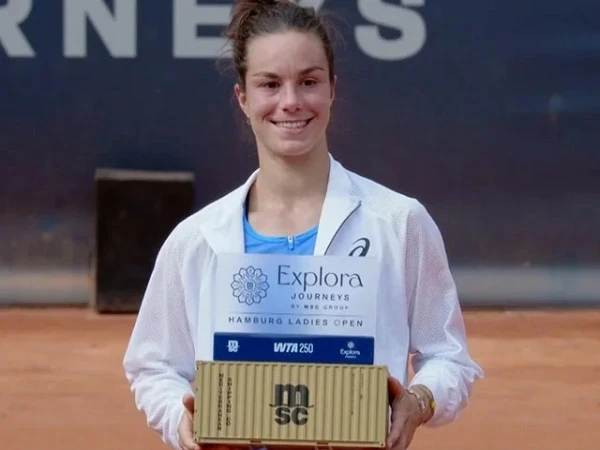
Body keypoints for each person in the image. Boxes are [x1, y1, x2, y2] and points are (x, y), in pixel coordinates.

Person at [122, 0, 484, 449]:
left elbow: (449, 357)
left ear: (332, 89)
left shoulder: (400, 222)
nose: (291, 102)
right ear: (243, 98)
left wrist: (419, 399)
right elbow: (153, 366)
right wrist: (181, 421)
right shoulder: (195, 240)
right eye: (270, 84)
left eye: (309, 82)